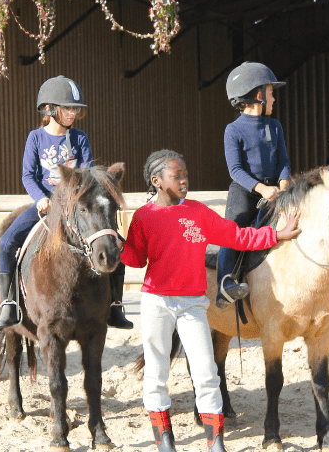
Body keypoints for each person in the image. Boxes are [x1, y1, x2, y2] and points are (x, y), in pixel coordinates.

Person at [121, 150, 301, 452]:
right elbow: (136, 260)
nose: (184, 179)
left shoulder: (197, 212)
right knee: (157, 373)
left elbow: (237, 237)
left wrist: (277, 234)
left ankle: (215, 442)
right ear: (156, 180)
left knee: (206, 371)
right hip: (156, 302)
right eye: (176, 175)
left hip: (193, 304)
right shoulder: (144, 217)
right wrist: (117, 246)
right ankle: (165, 441)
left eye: (186, 174)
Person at [0, 76, 133, 330]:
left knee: (115, 244)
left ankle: (115, 306)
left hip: (75, 208)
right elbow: (28, 175)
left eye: (75, 108)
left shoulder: (79, 138)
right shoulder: (35, 138)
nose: (73, 113)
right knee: (6, 242)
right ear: (50, 109)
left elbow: (88, 174)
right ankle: (9, 303)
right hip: (46, 205)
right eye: (68, 107)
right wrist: (40, 199)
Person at [215, 62, 290, 309]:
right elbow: (235, 170)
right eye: (271, 93)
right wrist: (261, 189)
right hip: (246, 190)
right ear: (259, 95)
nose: (274, 99)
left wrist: (284, 184)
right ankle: (225, 284)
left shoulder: (275, 126)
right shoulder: (232, 130)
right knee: (232, 229)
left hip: (276, 190)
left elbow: (283, 161)